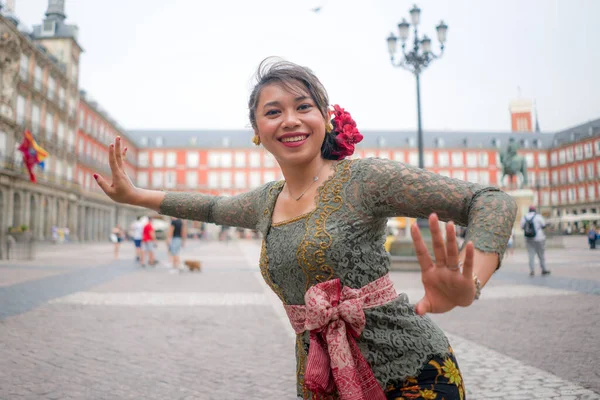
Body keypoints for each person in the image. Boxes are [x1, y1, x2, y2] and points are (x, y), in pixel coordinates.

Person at [94, 58, 517, 400]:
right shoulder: (265, 201)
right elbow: (212, 206)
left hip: (413, 373)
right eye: (273, 112)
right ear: (258, 131)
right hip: (324, 381)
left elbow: (491, 200)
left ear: (325, 118)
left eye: (303, 107)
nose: (290, 120)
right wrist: (135, 196)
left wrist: (472, 282)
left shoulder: (366, 180)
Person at [521, 206, 550, 276]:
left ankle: (532, 270)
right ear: (535, 210)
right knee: (541, 255)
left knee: (531, 255)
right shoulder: (538, 216)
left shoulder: (524, 217)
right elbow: (543, 225)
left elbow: (522, 227)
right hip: (539, 238)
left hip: (528, 239)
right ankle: (543, 269)